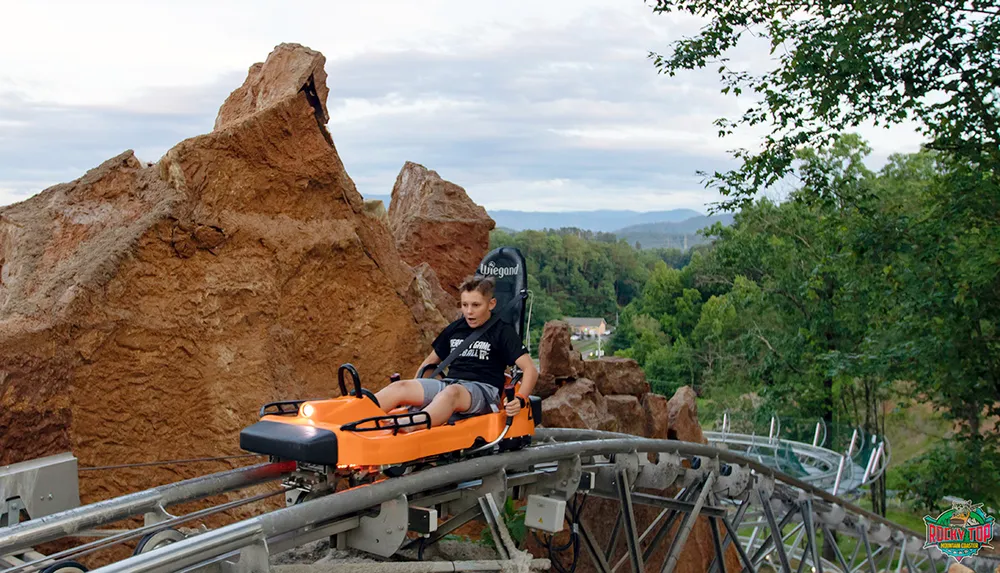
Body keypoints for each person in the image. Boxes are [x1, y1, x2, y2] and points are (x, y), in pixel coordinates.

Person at [374, 274, 538, 428]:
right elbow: (430, 363)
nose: (468, 311)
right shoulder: (455, 328)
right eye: (464, 305)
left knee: (452, 393)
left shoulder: (502, 331)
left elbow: (530, 369)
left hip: (484, 390)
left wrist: (520, 399)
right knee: (401, 387)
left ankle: (410, 426)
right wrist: (416, 389)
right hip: (450, 384)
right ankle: (355, 417)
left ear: (491, 304)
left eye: (476, 305)